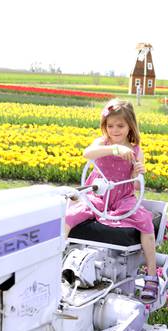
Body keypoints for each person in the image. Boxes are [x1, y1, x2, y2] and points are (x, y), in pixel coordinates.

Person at [64, 99, 158, 303]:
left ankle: (152, 274)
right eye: (110, 125)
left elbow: (135, 186)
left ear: (130, 126)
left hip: (123, 197)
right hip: (98, 195)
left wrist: (137, 172)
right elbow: (86, 153)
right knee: (70, 215)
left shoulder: (135, 150)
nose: (115, 130)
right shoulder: (102, 144)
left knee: (145, 222)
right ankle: (57, 258)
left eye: (120, 126)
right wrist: (113, 150)